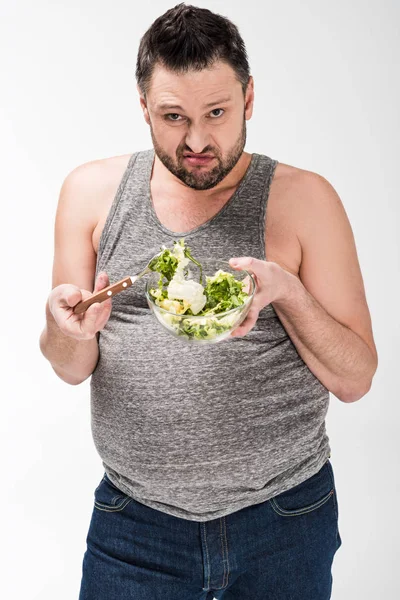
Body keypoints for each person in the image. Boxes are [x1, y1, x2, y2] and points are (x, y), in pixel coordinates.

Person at [39, 3, 378, 599]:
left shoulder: (305, 200)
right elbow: (71, 369)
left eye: (216, 113)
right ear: (144, 106)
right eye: (173, 117)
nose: (196, 140)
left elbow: (355, 379)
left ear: (249, 99)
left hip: (285, 520)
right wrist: (65, 330)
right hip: (134, 526)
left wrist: (288, 293)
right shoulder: (91, 194)